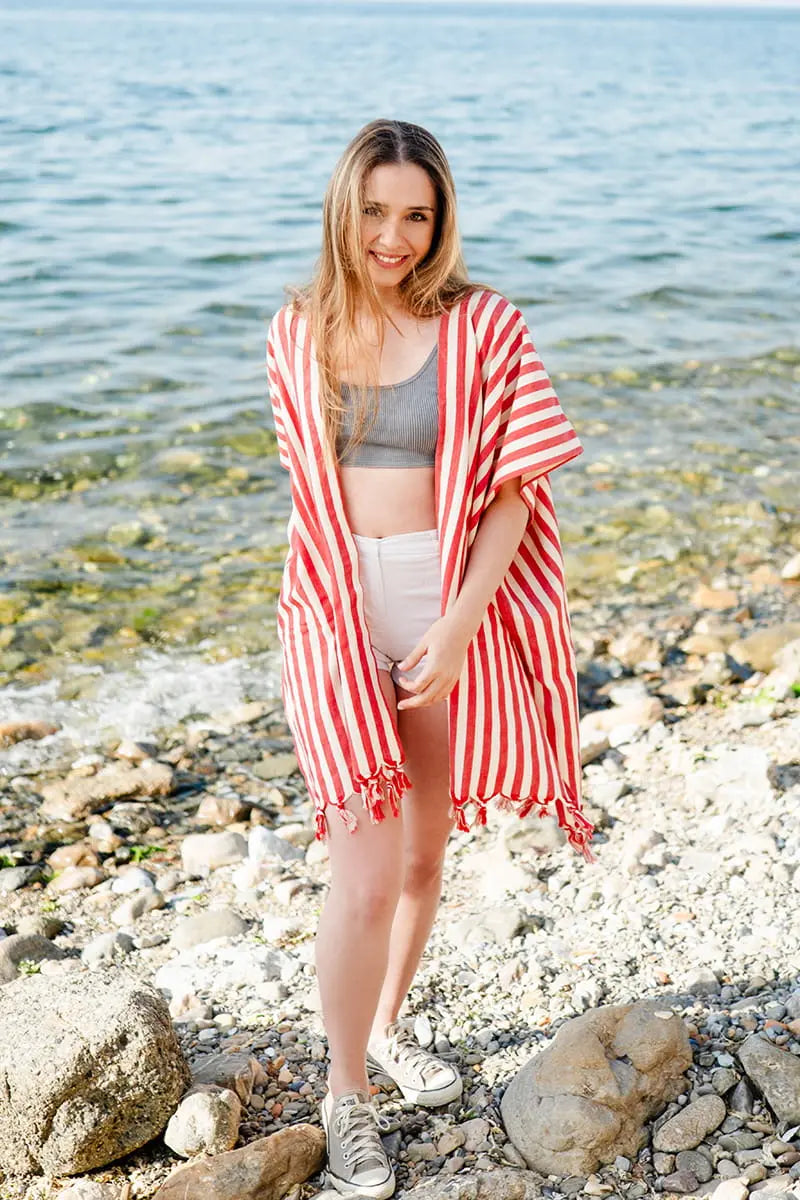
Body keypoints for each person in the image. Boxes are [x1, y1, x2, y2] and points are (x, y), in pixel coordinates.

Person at [266, 118, 594, 1199]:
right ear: (341, 210)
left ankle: (389, 1026)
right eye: (374, 212)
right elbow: (309, 507)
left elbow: (512, 494)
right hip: (332, 608)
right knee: (360, 877)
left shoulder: (482, 327)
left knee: (419, 857)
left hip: (448, 608)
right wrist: (337, 631)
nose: (394, 237)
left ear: (439, 219)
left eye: (416, 215)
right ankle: (345, 1091)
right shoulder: (296, 331)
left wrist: (455, 627)